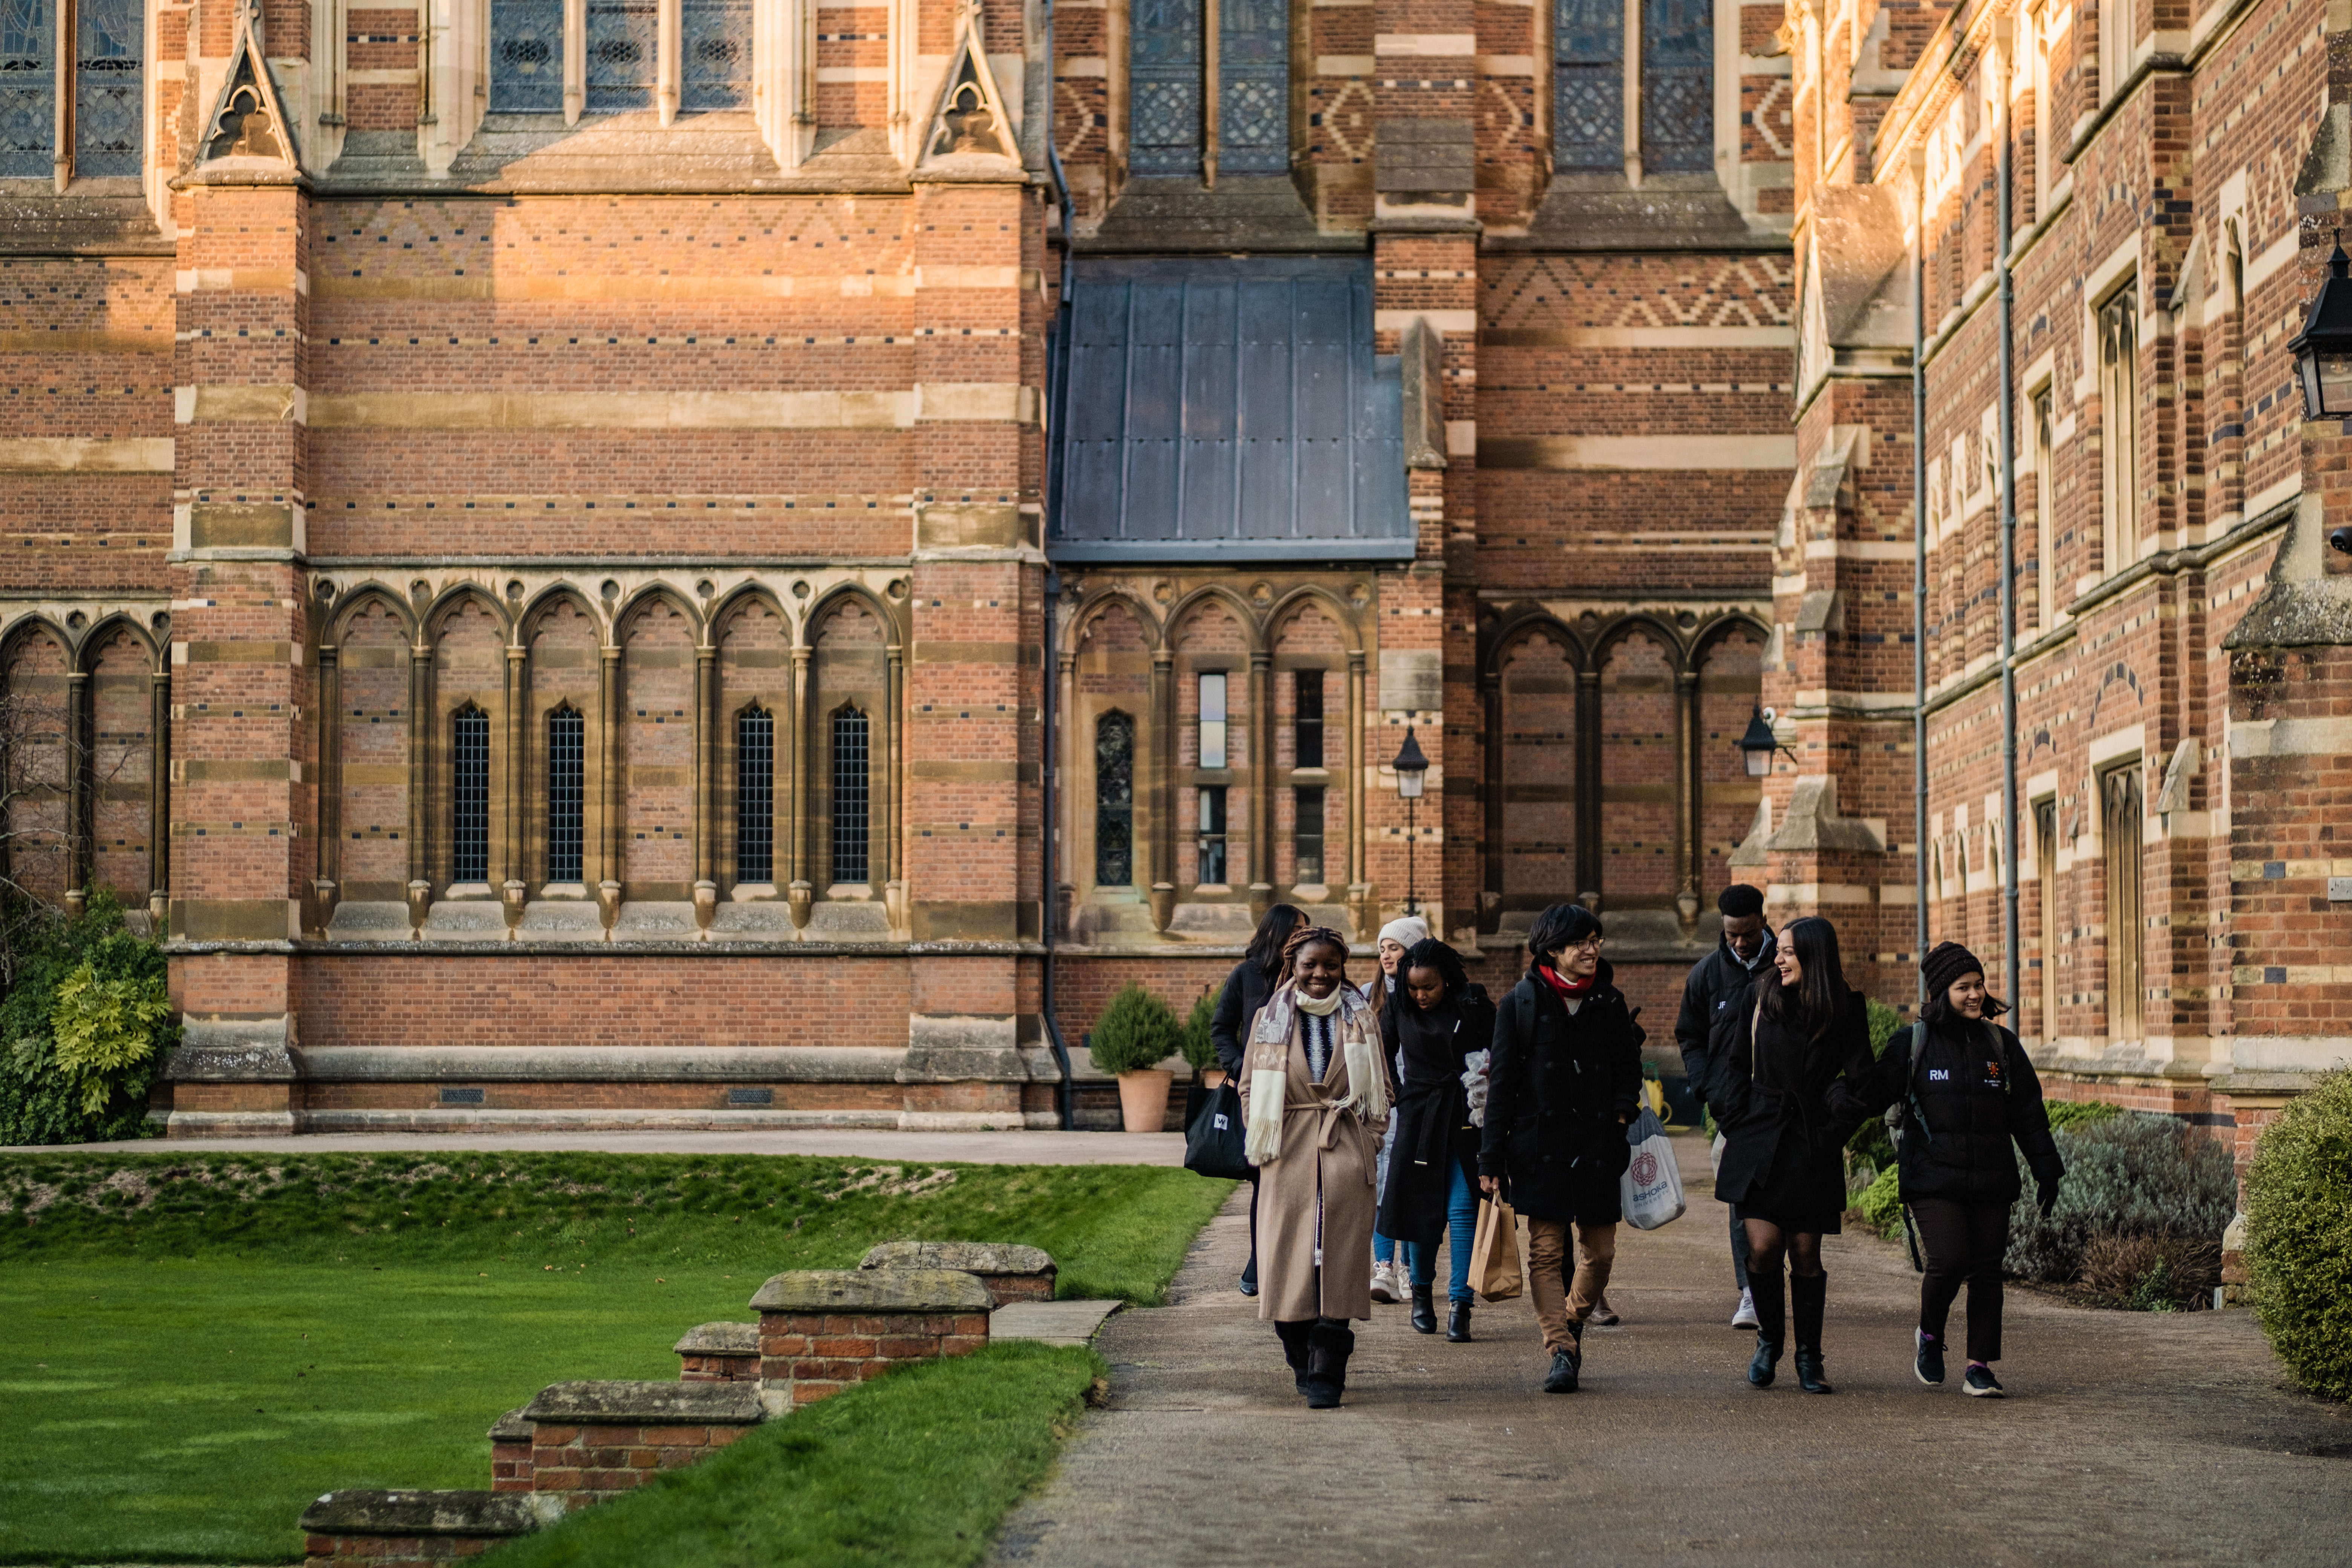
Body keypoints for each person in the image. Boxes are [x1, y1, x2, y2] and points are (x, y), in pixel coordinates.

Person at [1834, 942, 2064, 1397]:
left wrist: (2046, 1169)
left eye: (1979, 984)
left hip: (1992, 1177)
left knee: (1986, 1271)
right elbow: (1873, 1093)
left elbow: (2028, 1113)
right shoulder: (1913, 1043)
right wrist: (1834, 1106)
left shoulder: (2001, 1044)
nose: (1976, 994)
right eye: (1964, 987)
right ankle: (1930, 1336)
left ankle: (1979, 1365)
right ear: (1942, 992)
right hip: (1932, 1175)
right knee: (1949, 1260)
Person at [1703, 914, 1874, 1394]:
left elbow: (1862, 1082)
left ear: (1814, 956)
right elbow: (1734, 1064)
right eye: (1778, 950)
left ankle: (1809, 1357)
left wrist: (1831, 1127)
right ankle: (1769, 1340)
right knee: (1761, 1246)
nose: (1777, 958)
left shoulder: (1844, 1006)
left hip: (1810, 1141)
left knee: (1805, 1253)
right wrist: (1735, 1120)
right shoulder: (1760, 995)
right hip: (1758, 1137)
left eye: (1788, 951)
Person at [1479, 902, 1643, 1393]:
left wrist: (1620, 1114)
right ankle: (1560, 1350)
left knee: (1600, 1251)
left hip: (1596, 1143)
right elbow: (1502, 1084)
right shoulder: (1520, 1004)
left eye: (1596, 941)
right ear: (1553, 950)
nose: (1592, 950)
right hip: (1539, 1145)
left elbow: (1628, 1068)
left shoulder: (1610, 1003)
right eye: (1582, 943)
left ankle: (1571, 1319)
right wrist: (1491, 1157)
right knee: (1547, 1253)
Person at [1237, 925, 1393, 1409]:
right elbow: (1248, 1088)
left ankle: (1329, 1368)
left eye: (1331, 964)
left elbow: (1383, 1090)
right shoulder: (1270, 1018)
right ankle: (1299, 1355)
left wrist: (1369, 1138)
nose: (1321, 974)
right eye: (1311, 965)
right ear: (1294, 966)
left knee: (1340, 1267)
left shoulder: (1363, 1018)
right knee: (1288, 1269)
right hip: (1287, 1154)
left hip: (1346, 1149)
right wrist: (1265, 1135)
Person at [1375, 937, 1494, 1340]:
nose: (1421, 995)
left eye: (1430, 987)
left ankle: (1461, 1305)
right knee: (1420, 1214)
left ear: (1447, 979)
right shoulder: (1398, 1005)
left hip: (1466, 1115)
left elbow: (1501, 1050)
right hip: (1420, 1117)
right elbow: (1380, 1052)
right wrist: (1397, 1095)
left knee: (1463, 1211)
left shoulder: (1472, 1002)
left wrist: (1487, 1079)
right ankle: (1422, 1293)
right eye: (1414, 987)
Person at [1676, 883, 1778, 1331]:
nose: (1740, 943)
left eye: (1749, 934)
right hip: (1733, 1109)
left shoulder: (1787, 965)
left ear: (1762, 921)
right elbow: (1690, 1036)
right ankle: (1751, 1291)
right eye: (1732, 934)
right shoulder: (1706, 974)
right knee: (1741, 1195)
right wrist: (1705, 1087)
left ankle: (1784, 1275)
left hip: (1782, 1105)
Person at [1212, 902, 1309, 1297]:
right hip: (1262, 1099)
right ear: (1279, 932)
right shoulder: (1247, 975)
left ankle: (1292, 1262)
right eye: (1300, 929)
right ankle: (1259, 1262)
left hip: (1303, 1097)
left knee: (1300, 1183)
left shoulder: (1309, 974)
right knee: (1264, 1181)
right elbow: (1221, 1027)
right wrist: (1240, 1070)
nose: (1307, 935)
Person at [1366, 914, 1429, 1304]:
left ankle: (1409, 1267)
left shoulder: (1427, 993)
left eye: (1395, 946)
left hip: (1420, 1101)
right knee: (1382, 1185)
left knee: (1413, 1185)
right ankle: (1384, 1267)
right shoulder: (1368, 995)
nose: (1387, 954)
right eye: (1382, 948)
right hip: (1383, 1104)